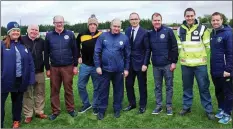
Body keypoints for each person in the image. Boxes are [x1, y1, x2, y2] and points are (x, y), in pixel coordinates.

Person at [177, 8, 215, 120]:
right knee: (187, 87)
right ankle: (186, 107)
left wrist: (202, 57)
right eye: (187, 16)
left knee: (204, 87)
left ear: (195, 16)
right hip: (186, 65)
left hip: (200, 65)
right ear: (184, 17)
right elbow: (180, 46)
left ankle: (208, 110)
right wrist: (182, 57)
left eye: (191, 16)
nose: (189, 18)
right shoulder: (180, 29)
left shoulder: (202, 28)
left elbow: (208, 47)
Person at [94, 18, 130, 120]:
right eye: (115, 26)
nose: (116, 28)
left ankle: (117, 109)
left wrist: (126, 69)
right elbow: (97, 52)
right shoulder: (103, 36)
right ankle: (101, 110)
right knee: (103, 90)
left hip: (119, 71)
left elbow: (127, 55)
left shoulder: (124, 38)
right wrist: (97, 66)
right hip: (104, 70)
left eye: (118, 26)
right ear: (111, 26)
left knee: (118, 91)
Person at [1, 21, 35, 128]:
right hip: (4, 81)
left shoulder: (23, 46)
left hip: (19, 80)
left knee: (17, 102)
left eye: (17, 31)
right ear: (9, 33)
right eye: (13, 31)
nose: (16, 32)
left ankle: (16, 120)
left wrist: (31, 78)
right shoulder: (2, 45)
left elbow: (30, 63)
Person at [44, 15, 78, 120]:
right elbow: (46, 53)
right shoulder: (49, 35)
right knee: (54, 90)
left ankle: (71, 109)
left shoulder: (70, 34)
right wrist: (48, 68)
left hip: (68, 66)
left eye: (61, 22)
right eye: (57, 22)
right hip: (54, 67)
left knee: (68, 89)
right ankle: (55, 111)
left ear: (64, 22)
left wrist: (75, 66)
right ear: (53, 23)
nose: (59, 24)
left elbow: (75, 50)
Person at [148, 13, 178, 115]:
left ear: (161, 21)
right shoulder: (150, 33)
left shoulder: (168, 31)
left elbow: (174, 47)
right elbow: (148, 49)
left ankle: (169, 106)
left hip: (167, 64)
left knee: (169, 86)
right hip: (156, 65)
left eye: (158, 20)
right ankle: (159, 105)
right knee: (157, 86)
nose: (157, 22)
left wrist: (173, 62)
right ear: (152, 21)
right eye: (155, 20)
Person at [123, 12, 150, 114]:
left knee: (142, 85)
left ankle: (142, 105)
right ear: (129, 21)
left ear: (139, 20)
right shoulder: (127, 31)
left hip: (140, 64)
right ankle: (132, 104)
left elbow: (148, 49)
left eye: (135, 19)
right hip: (129, 64)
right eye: (132, 19)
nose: (134, 21)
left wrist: (145, 64)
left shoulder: (145, 32)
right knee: (129, 84)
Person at [76, 14, 102, 115]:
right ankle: (86, 103)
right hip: (85, 65)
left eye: (94, 24)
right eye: (90, 24)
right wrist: (78, 56)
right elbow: (76, 46)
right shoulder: (82, 34)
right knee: (81, 85)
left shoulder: (101, 35)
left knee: (97, 87)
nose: (92, 26)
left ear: (97, 25)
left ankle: (95, 105)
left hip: (97, 66)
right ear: (88, 25)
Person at [21, 24, 47, 124]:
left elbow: (47, 53)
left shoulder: (41, 41)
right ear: (27, 30)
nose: (34, 32)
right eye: (32, 29)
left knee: (40, 92)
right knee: (27, 93)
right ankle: (28, 114)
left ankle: (39, 111)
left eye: (36, 30)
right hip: (26, 72)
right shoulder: (22, 40)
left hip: (39, 71)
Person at [210, 12, 233, 124]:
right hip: (215, 69)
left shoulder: (228, 34)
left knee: (227, 92)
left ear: (222, 20)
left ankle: (228, 114)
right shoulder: (212, 34)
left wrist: (228, 70)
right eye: (213, 20)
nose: (215, 22)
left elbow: (230, 53)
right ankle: (222, 109)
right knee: (218, 91)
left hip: (225, 70)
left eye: (217, 20)